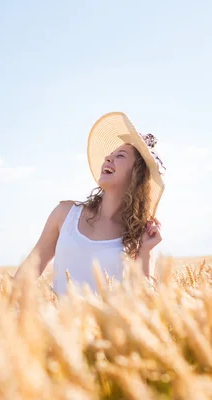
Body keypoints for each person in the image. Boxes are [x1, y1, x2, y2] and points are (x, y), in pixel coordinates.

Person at [14, 111, 166, 295]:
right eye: (110, 154)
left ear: (136, 175)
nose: (108, 158)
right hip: (57, 322)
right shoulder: (65, 214)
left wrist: (146, 251)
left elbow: (143, 299)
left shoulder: (137, 235)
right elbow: (29, 271)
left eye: (121, 156)